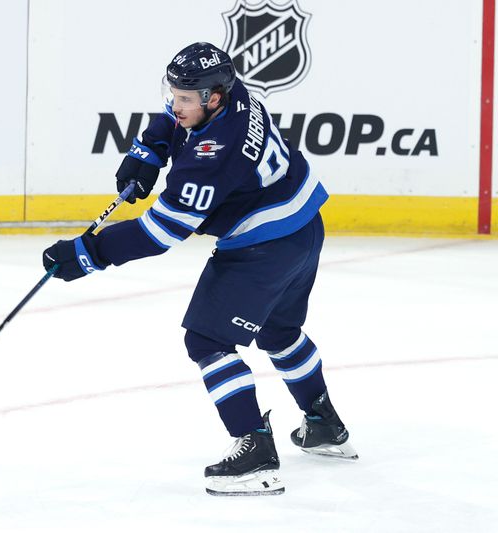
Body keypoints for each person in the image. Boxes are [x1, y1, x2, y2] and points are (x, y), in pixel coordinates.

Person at [42, 42, 357, 496]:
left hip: (264, 245)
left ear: (213, 98)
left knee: (207, 338)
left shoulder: (212, 156)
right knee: (278, 333)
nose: (177, 104)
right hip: (305, 228)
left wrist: (88, 252)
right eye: (174, 94)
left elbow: (161, 232)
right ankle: (324, 424)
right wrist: (149, 149)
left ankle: (254, 450)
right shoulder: (234, 94)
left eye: (187, 98)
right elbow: (172, 119)